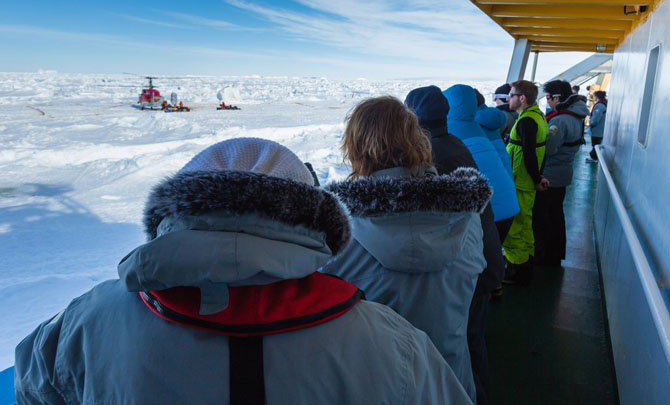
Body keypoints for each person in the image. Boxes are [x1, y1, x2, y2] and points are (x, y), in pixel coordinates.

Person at [14, 137, 471, 404]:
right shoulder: (392, 344)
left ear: (174, 213)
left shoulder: (84, 324)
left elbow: (34, 388)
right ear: (315, 224)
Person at [321, 96, 491, 403]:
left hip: (376, 387)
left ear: (356, 148)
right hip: (450, 381)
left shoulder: (334, 233)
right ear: (418, 140)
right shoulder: (468, 217)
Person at [406, 85, 503, 405]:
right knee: (473, 341)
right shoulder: (453, 143)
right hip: (484, 258)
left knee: (466, 345)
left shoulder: (432, 154)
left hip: (473, 268)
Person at [444, 84, 520, 240]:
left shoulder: (455, 130)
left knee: (484, 259)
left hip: (490, 210)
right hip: (508, 199)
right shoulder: (485, 125)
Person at [533, 80, 589, 266]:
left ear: (557, 97)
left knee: (544, 217)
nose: (547, 101)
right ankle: (554, 254)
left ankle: (543, 256)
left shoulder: (559, 121)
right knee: (556, 215)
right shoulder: (576, 115)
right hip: (563, 172)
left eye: (548, 97)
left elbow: (549, 149)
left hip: (551, 175)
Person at [502, 80, 549, 285]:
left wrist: (537, 178)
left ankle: (516, 270)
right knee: (526, 224)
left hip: (520, 181)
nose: (507, 98)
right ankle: (527, 263)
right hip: (526, 180)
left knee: (515, 227)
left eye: (511, 95)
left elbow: (529, 153)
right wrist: (539, 176)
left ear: (522, 98)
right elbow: (541, 150)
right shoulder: (538, 116)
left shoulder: (525, 121)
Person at [588, 90, 608, 161]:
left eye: (594, 96)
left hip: (597, 129)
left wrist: (591, 123)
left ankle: (594, 157)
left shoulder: (599, 105)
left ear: (596, 96)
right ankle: (595, 156)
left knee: (595, 144)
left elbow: (596, 117)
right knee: (597, 143)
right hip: (602, 128)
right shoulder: (605, 103)